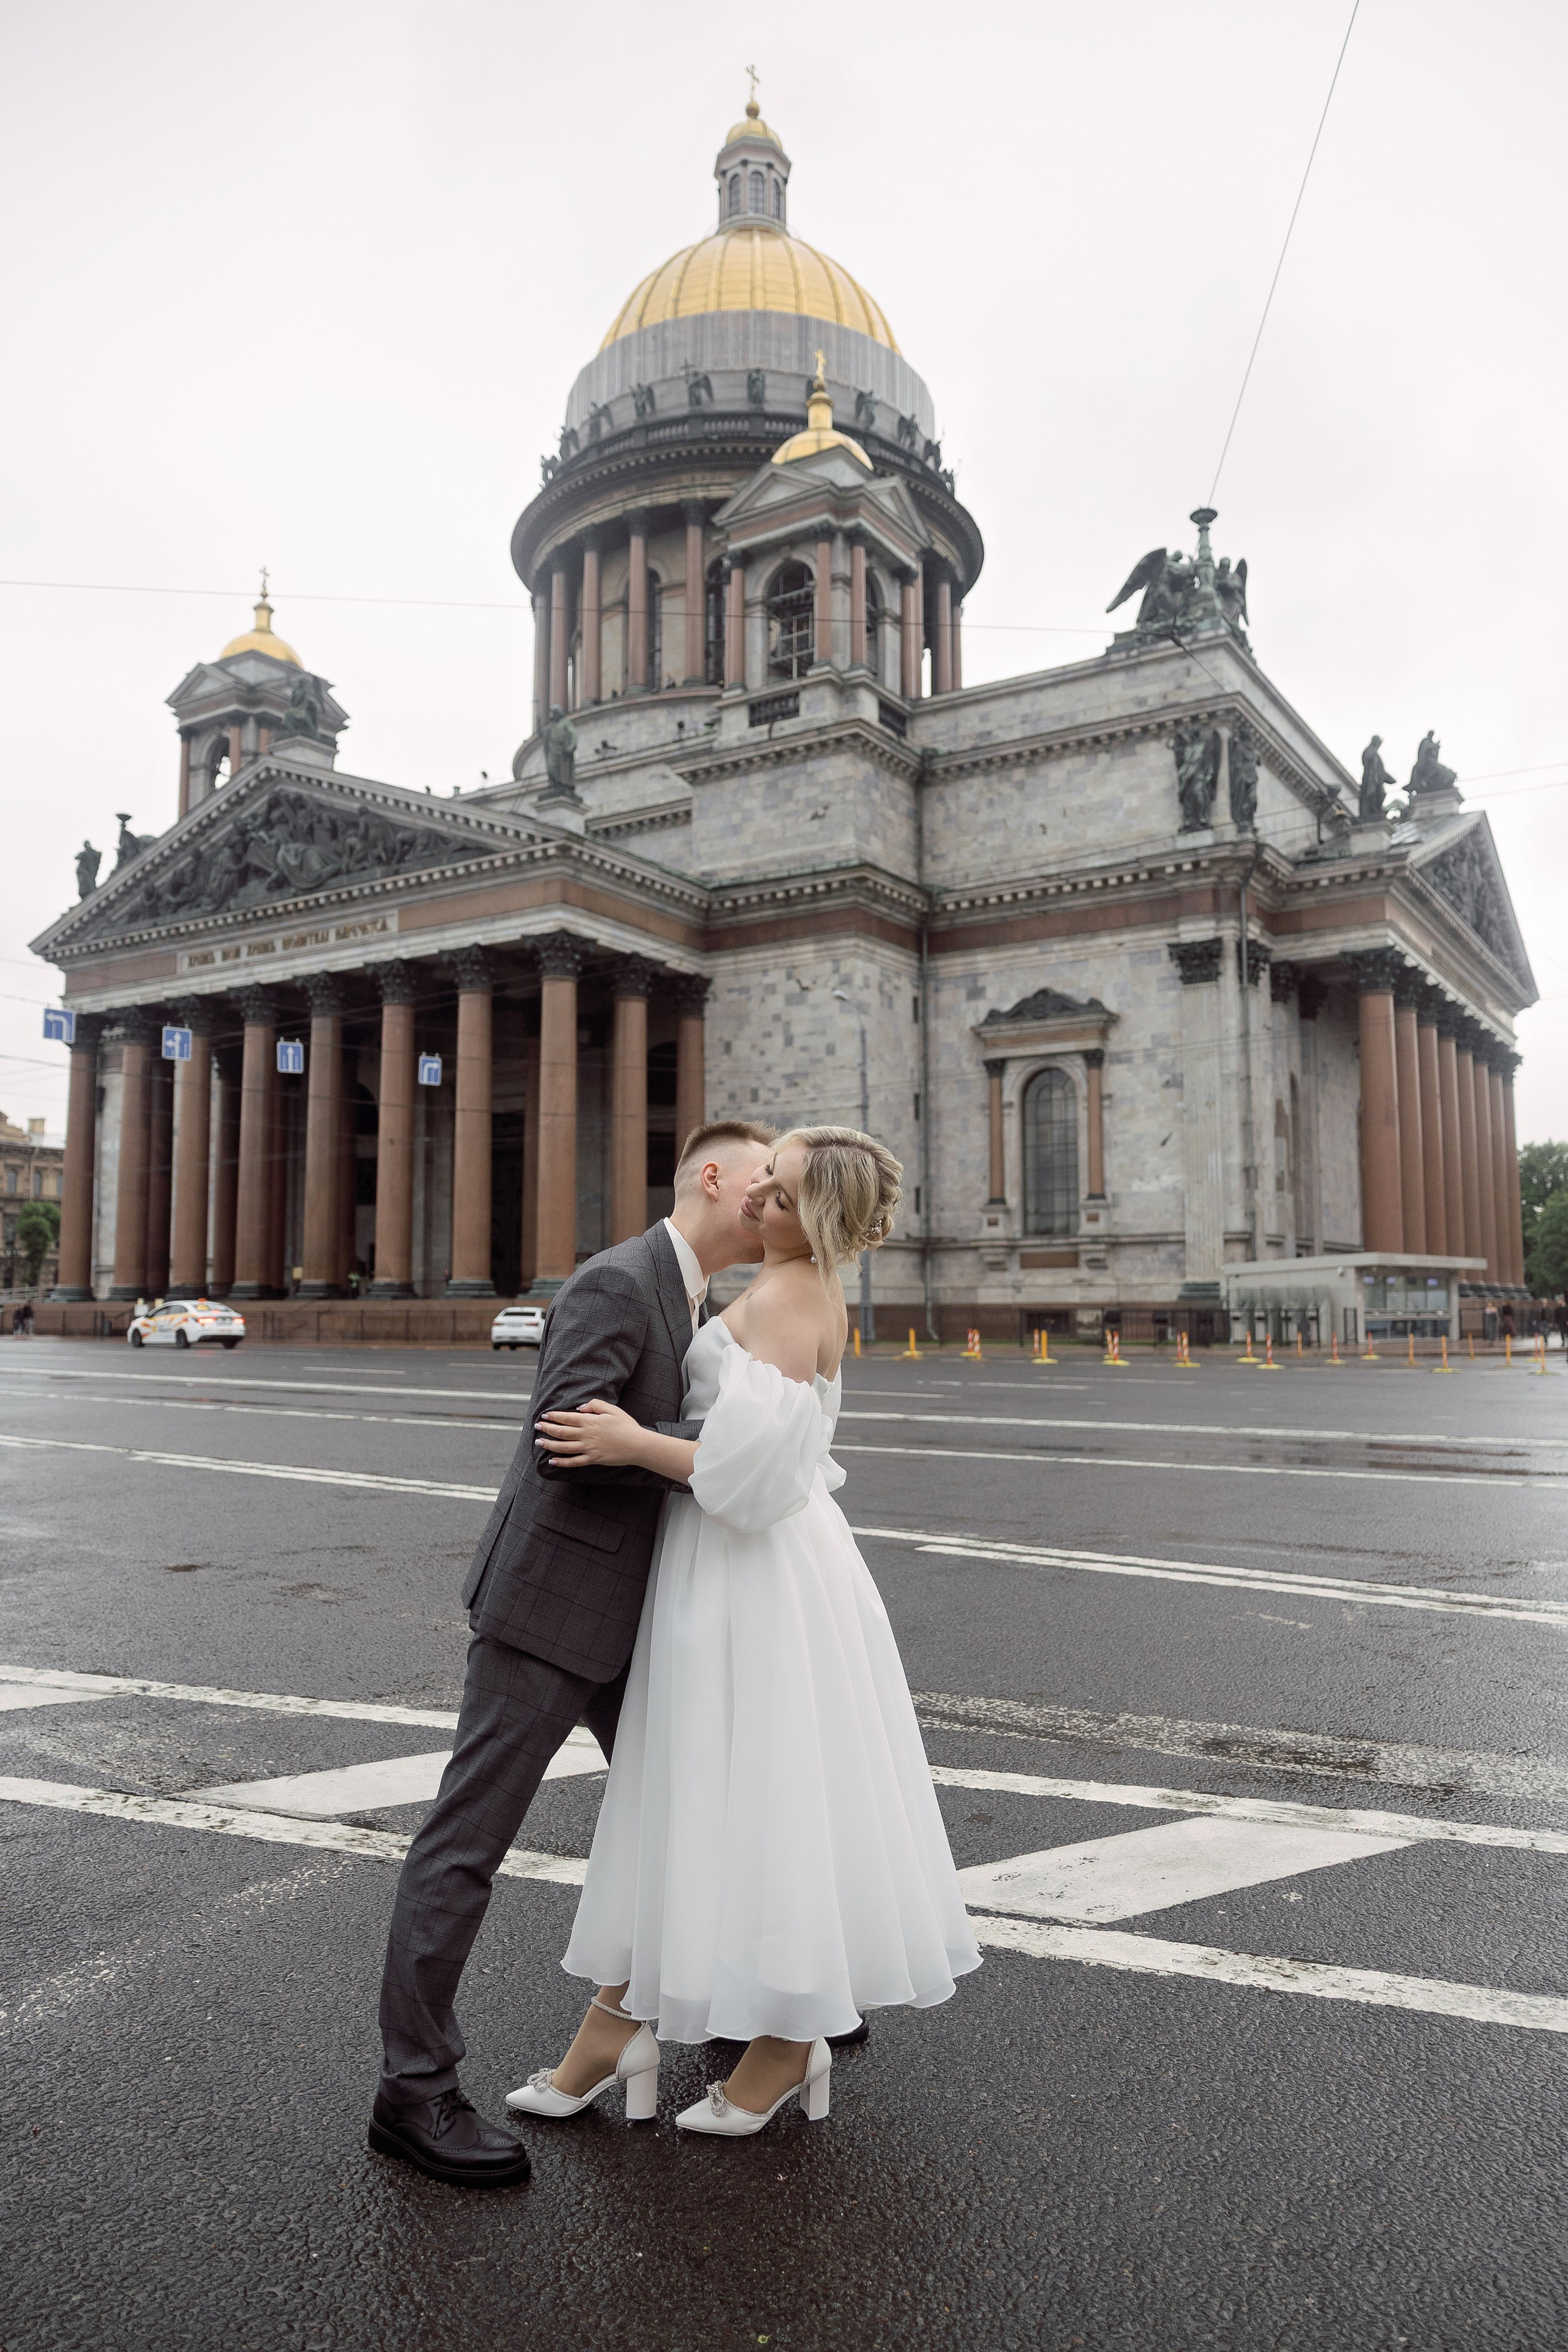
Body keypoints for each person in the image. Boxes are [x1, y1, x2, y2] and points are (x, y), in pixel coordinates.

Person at [518, 1128, 979, 2139]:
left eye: (782, 1186)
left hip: (753, 1569)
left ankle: (779, 2043)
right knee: (700, 1794)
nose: (760, 1190)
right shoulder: (788, 1286)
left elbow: (753, 1475)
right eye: (766, 1173)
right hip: (733, 1567)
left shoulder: (788, 1296)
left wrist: (629, 1440)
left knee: (751, 1797)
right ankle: (621, 2027)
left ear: (814, 1216)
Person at [369, 1118, 777, 2188]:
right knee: (466, 1844)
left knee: (693, 1815)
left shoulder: (693, 1294)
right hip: (550, 1612)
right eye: (765, 1179)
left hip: (633, 1618)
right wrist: (715, 1459)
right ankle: (412, 2092)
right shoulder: (617, 1280)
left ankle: (740, 2013)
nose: (777, 1197)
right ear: (714, 1176)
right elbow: (565, 1433)